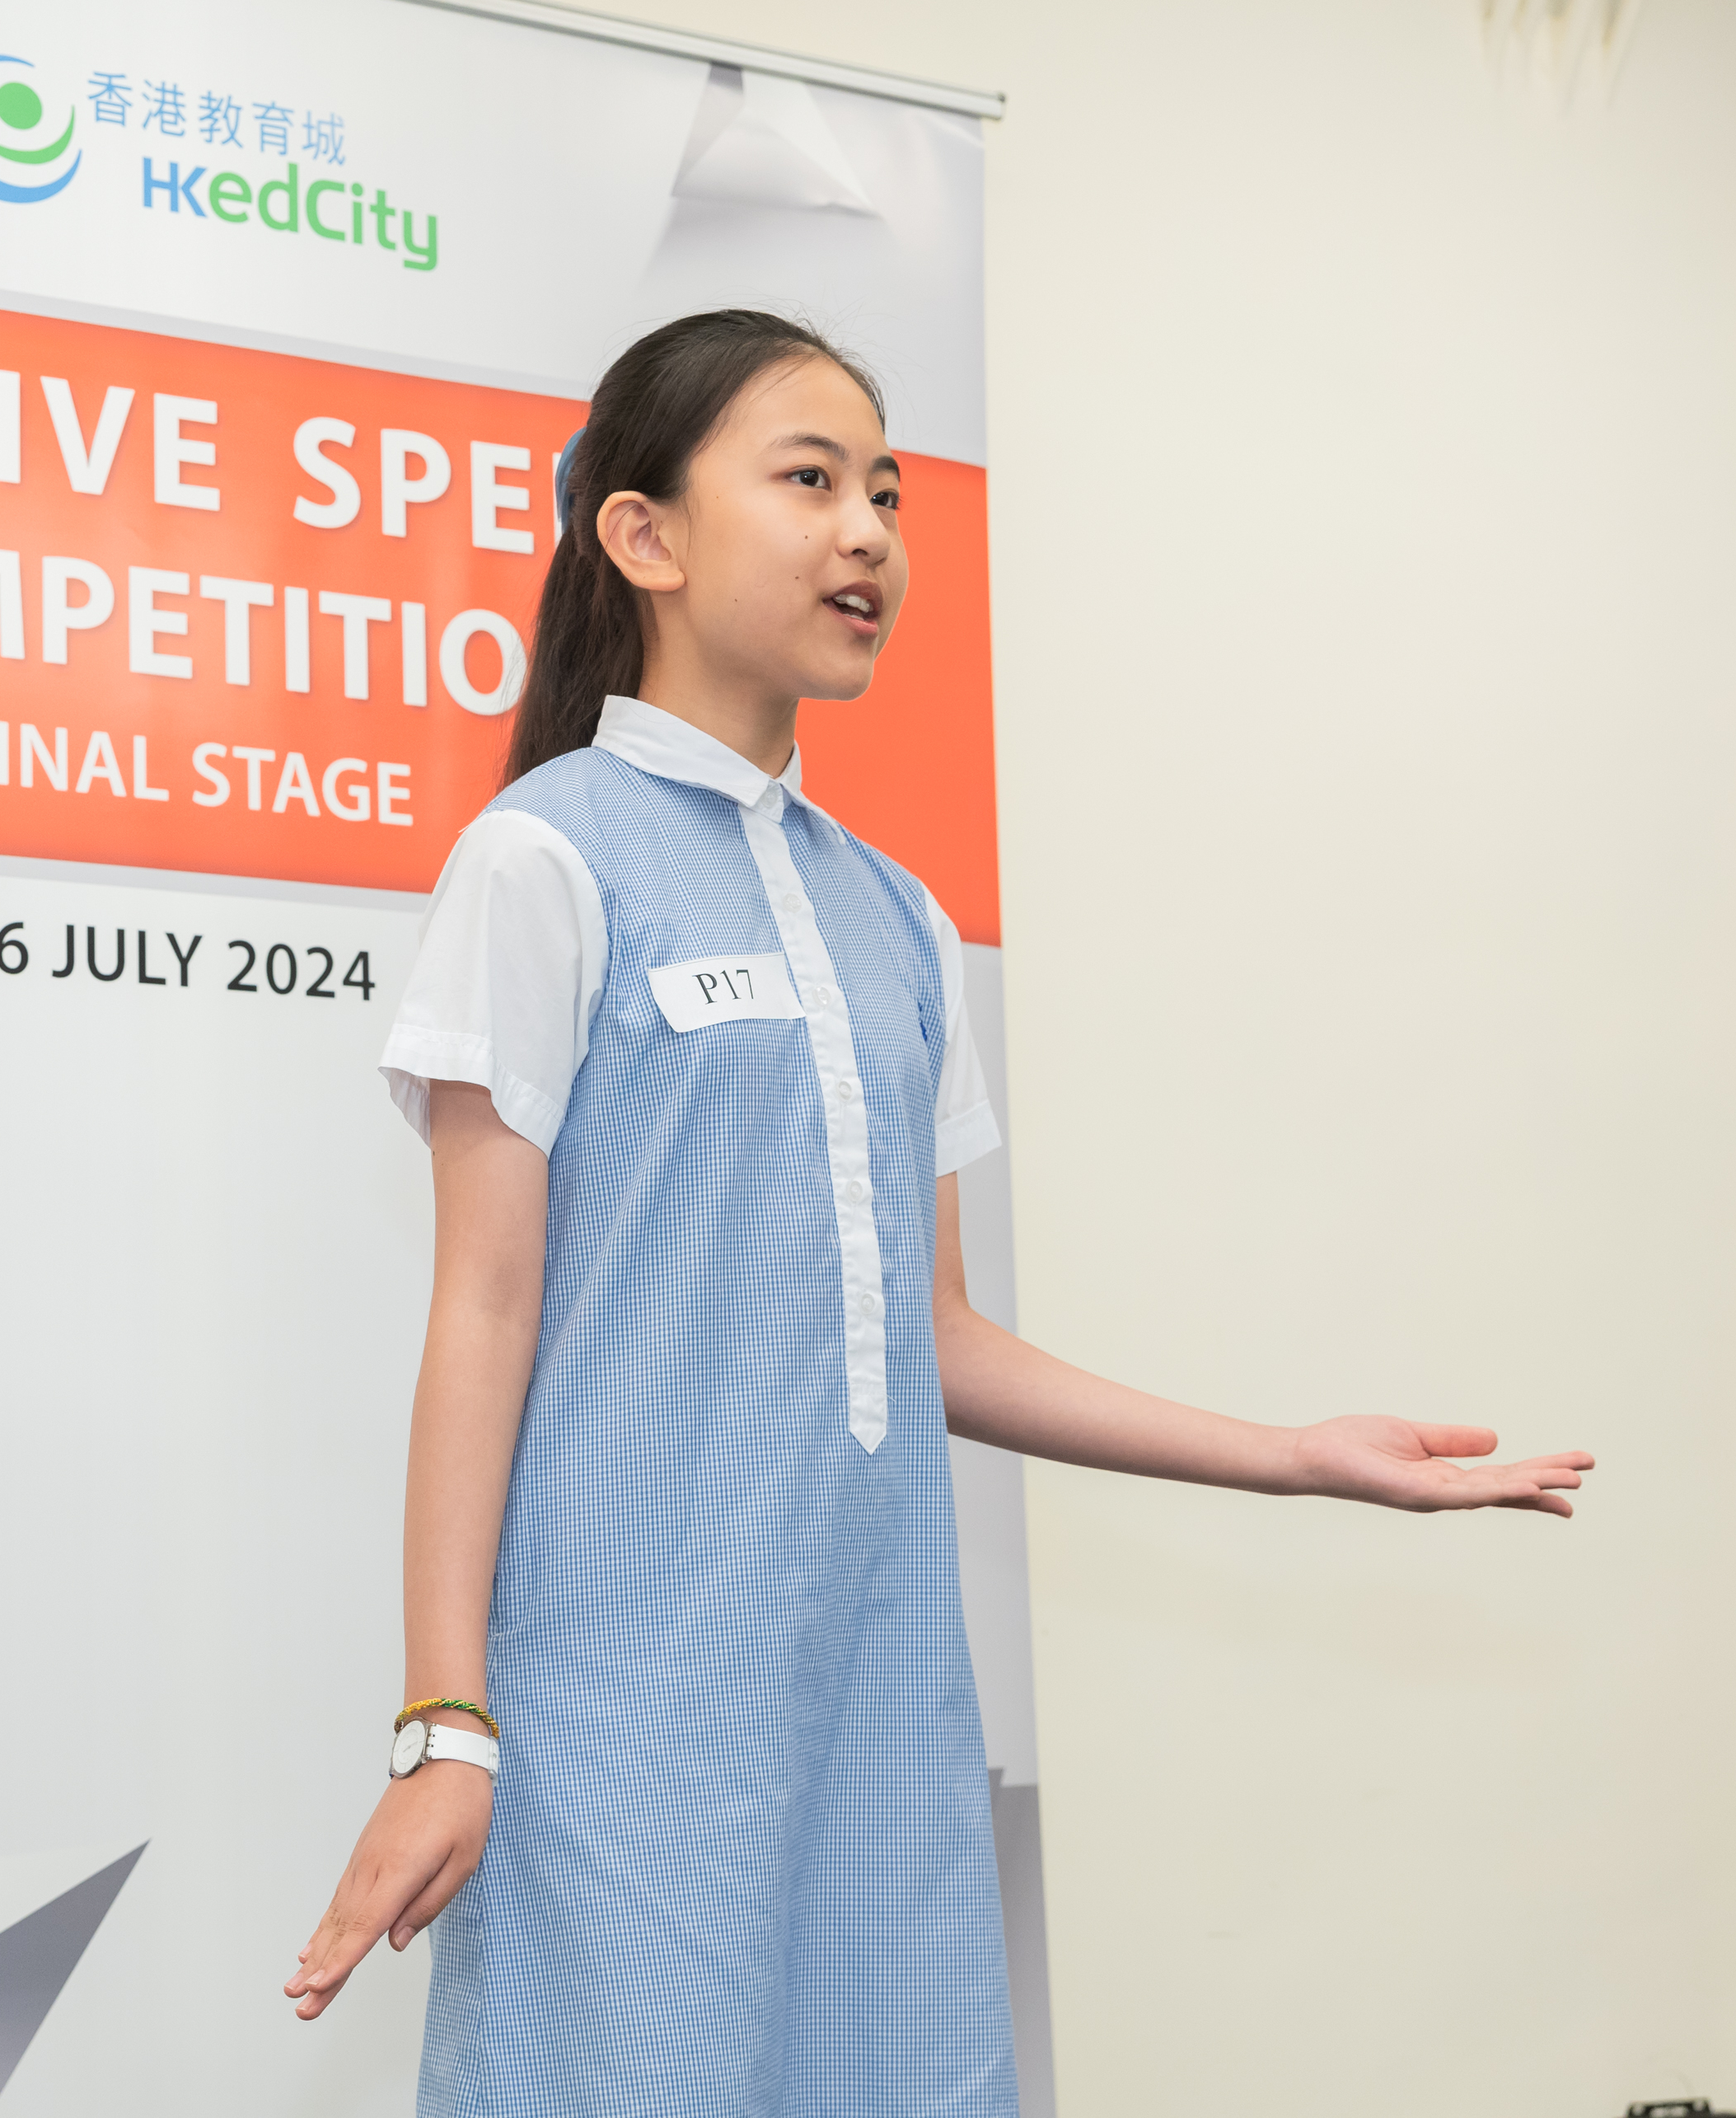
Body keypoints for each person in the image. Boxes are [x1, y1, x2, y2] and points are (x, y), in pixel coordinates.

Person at [282, 309, 1592, 2115]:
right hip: (621, 1709)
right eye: (809, 481)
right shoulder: (544, 857)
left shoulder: (900, 918)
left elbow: (931, 1332)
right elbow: (482, 1314)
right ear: (644, 537)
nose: (868, 536)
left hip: (880, 1706)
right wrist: (446, 1719)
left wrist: (1293, 1456)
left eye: (886, 494)